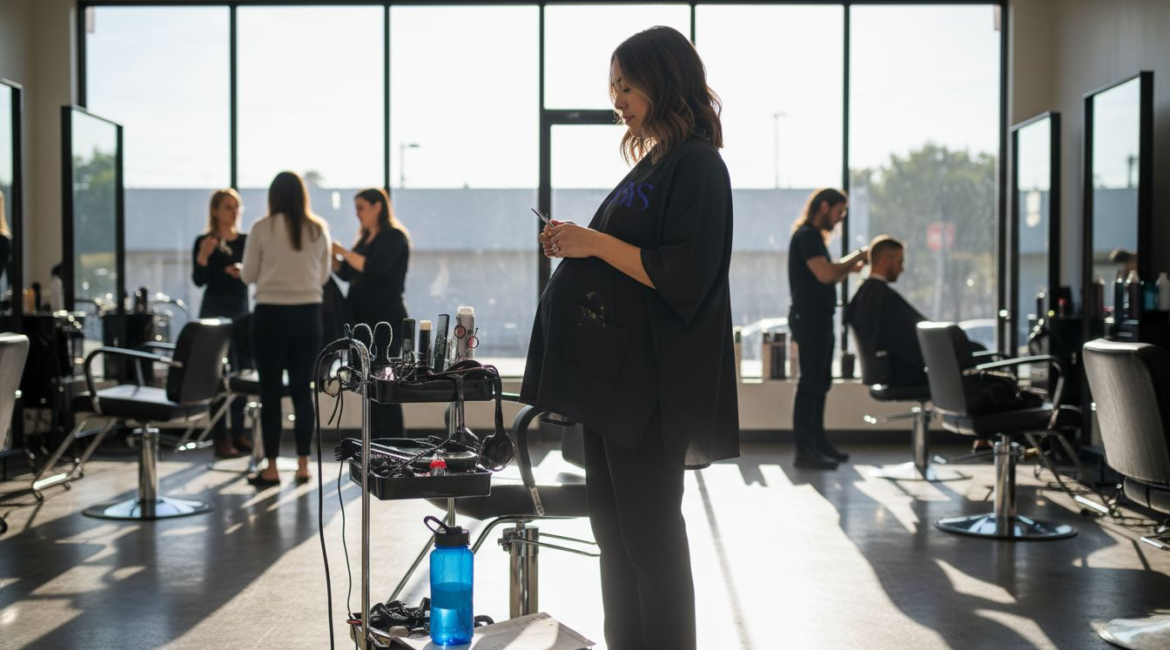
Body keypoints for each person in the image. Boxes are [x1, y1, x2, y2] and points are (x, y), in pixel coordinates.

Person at [521, 26, 738, 650]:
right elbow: (624, 258)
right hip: (613, 387)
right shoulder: (655, 161)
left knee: (649, 540)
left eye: (626, 86)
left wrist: (591, 242)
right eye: (612, 87)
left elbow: (683, 274)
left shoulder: (698, 165)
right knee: (614, 540)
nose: (616, 100)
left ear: (663, 81)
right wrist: (580, 244)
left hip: (651, 388)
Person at [240, 171, 331, 486]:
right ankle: (304, 466)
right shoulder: (318, 229)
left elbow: (248, 275)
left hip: (270, 316)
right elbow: (323, 277)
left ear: (273, 196)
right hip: (308, 316)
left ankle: (272, 468)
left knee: (270, 393)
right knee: (302, 391)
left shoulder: (261, 228)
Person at [787, 188, 867, 470]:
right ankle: (804, 450)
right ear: (823, 207)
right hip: (809, 318)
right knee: (810, 383)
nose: (841, 217)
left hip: (819, 317)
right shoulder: (807, 236)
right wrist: (856, 257)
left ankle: (818, 443)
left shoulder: (814, 238)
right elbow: (825, 274)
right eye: (839, 211)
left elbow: (830, 273)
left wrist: (846, 268)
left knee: (820, 382)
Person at [332, 187, 411, 437]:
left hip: (387, 324)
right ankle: (374, 441)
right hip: (363, 323)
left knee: (386, 384)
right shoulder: (365, 239)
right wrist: (329, 255)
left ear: (378, 207)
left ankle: (393, 441)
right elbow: (347, 273)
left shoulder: (393, 237)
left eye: (361, 208)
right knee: (368, 386)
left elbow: (374, 268)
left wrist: (343, 252)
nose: (357, 214)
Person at [192, 189, 252, 459]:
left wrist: (242, 272)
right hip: (214, 314)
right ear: (215, 210)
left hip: (240, 313)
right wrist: (204, 255)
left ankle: (239, 432)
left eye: (237, 207)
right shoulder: (204, 241)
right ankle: (220, 437)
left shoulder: (246, 241)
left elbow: (255, 274)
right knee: (217, 376)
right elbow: (199, 280)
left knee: (242, 373)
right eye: (228, 207)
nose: (234, 212)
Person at [844, 235, 928, 387]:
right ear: (885, 260)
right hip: (900, 374)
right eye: (900, 262)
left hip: (882, 372)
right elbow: (907, 339)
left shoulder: (865, 294)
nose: (902, 269)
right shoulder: (881, 296)